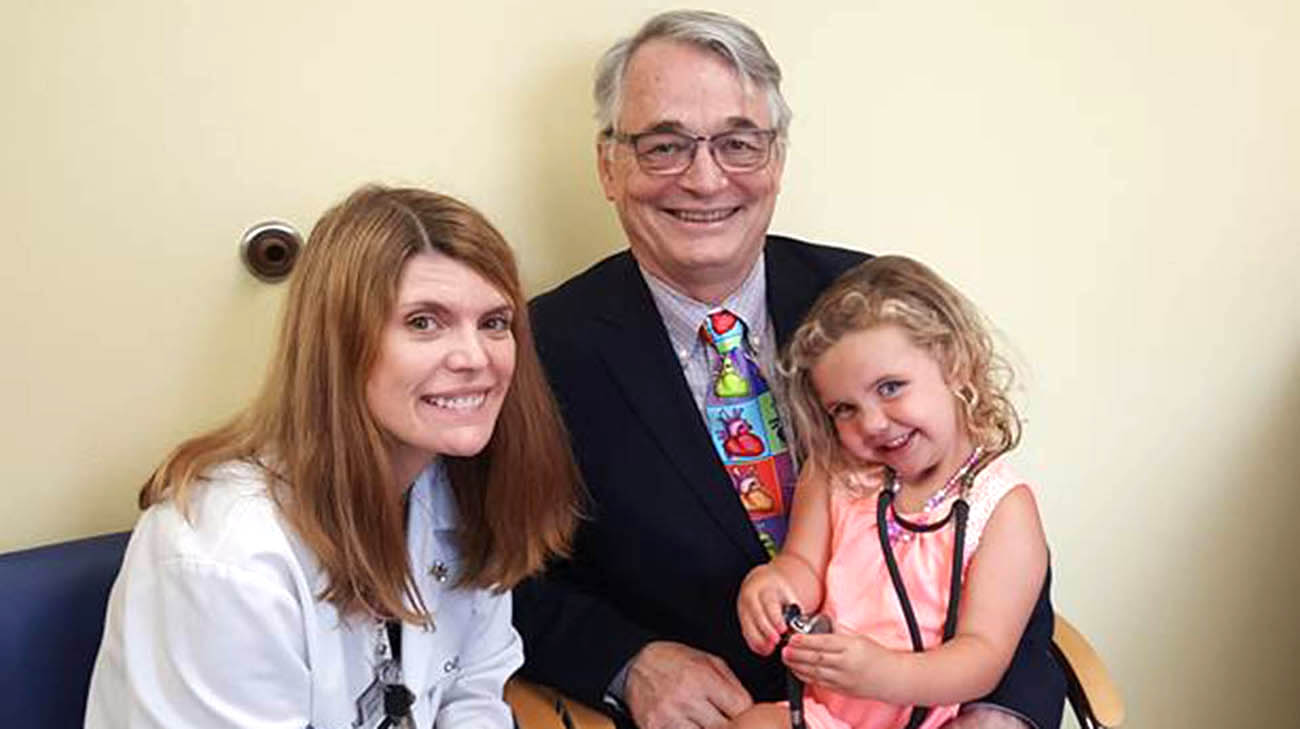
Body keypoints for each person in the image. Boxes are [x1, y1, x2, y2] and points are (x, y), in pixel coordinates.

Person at [513, 9, 1063, 729]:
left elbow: (984, 515)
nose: (706, 178)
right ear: (607, 165)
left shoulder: (875, 307)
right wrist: (628, 661)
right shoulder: (538, 348)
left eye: (739, 143)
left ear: (777, 158)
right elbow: (494, 574)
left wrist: (1000, 709)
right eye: (664, 145)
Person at [84, 185, 580, 729]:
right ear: (339, 344)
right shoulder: (223, 556)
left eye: (494, 322)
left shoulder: (457, 488)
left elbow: (472, 696)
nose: (475, 358)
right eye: (423, 322)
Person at [732, 255, 1047, 729]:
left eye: (891, 387)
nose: (873, 423)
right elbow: (803, 565)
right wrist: (773, 586)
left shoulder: (1001, 508)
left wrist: (885, 674)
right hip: (825, 717)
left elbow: (983, 655)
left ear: (955, 365)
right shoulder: (836, 473)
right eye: (844, 409)